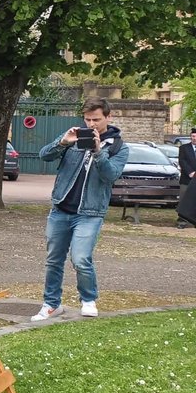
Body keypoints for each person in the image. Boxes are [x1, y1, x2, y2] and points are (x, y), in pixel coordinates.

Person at [31, 98, 129, 321]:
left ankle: (88, 299)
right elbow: (44, 155)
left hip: (90, 213)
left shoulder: (118, 146)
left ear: (108, 117)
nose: (91, 124)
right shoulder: (74, 135)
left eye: (96, 119)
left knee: (81, 257)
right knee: (54, 259)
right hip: (61, 208)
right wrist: (63, 143)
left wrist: (97, 151)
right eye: (87, 119)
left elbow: (110, 175)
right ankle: (51, 304)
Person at [177, 128, 196, 229]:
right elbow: (182, 161)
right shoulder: (184, 148)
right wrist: (190, 172)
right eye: (193, 136)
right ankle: (182, 221)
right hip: (187, 178)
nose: (194, 139)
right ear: (190, 137)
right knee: (184, 199)